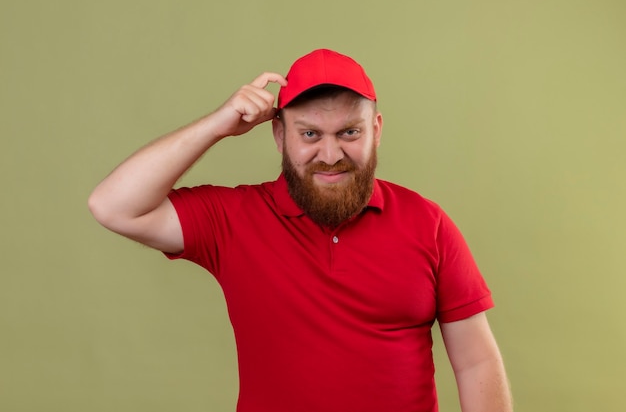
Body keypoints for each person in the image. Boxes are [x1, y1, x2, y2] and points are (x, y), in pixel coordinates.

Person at [88, 48, 513, 412]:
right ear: (278, 134)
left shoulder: (427, 223)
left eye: (350, 132)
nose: (330, 154)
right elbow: (112, 206)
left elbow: (476, 360)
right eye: (310, 133)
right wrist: (217, 125)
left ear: (376, 131)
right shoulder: (233, 218)